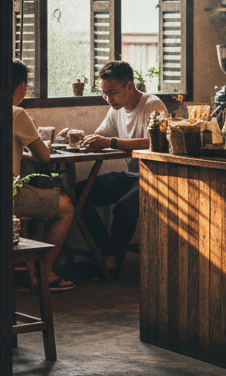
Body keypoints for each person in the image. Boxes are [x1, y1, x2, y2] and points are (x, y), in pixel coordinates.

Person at [62, 60, 167, 275]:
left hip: (156, 177)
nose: (109, 99)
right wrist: (77, 135)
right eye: (104, 94)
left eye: (113, 93)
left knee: (123, 207)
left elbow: (154, 141)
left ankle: (109, 258)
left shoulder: (152, 105)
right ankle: (107, 253)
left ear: (129, 86)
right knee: (80, 193)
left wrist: (111, 143)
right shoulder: (115, 109)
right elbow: (99, 136)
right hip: (131, 175)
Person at [11, 61, 77, 291]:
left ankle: (29, 267)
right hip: (9, 196)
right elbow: (45, 156)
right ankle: (43, 274)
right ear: (21, 86)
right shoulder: (16, 113)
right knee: (66, 206)